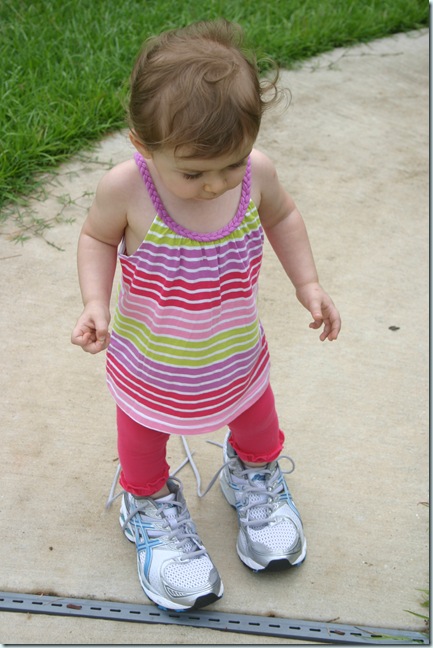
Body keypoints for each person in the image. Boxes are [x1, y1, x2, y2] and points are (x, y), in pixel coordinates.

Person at [71, 19, 341, 612]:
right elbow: (96, 238)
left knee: (258, 426)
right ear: (144, 145)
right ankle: (147, 505)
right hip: (150, 363)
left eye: (232, 163)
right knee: (142, 443)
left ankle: (255, 480)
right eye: (193, 173)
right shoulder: (127, 188)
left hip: (235, 355)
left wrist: (309, 283)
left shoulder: (257, 174)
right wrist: (95, 301)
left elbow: (282, 216)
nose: (216, 184)